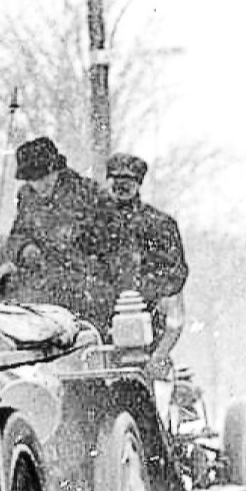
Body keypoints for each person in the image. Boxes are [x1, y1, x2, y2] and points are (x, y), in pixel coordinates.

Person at [0, 137, 112, 325]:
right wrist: (24, 248)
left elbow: (111, 246)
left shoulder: (88, 193)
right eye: (32, 180)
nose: (40, 185)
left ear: (56, 169)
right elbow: (17, 235)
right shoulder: (27, 197)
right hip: (38, 288)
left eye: (44, 177)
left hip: (83, 289)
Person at [95, 152, 191, 363]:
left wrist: (150, 292)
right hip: (99, 318)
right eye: (116, 182)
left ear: (138, 184)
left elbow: (174, 273)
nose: (121, 189)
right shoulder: (95, 224)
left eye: (127, 183)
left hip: (146, 321)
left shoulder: (159, 225)